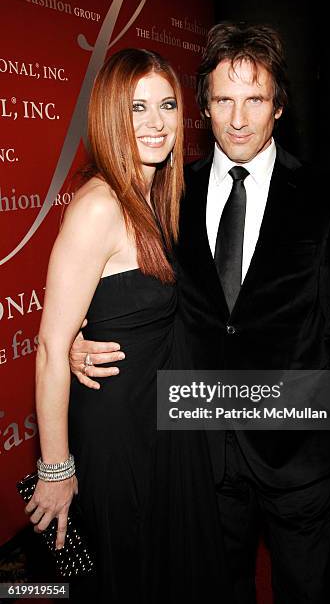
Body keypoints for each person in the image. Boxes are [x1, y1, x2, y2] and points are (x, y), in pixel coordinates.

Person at [70, 23, 330, 604]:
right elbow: (139, 297)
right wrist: (79, 339)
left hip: (300, 456)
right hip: (199, 453)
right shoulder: (170, 193)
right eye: (223, 100)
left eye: (254, 99)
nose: (238, 118)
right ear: (203, 107)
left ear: (278, 107)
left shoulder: (325, 197)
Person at [24, 48, 228, 603]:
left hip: (161, 417)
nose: (156, 123)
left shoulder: (160, 192)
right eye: (136, 108)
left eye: (165, 105)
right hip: (119, 428)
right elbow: (48, 345)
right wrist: (56, 468)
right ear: (110, 114)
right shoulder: (100, 205)